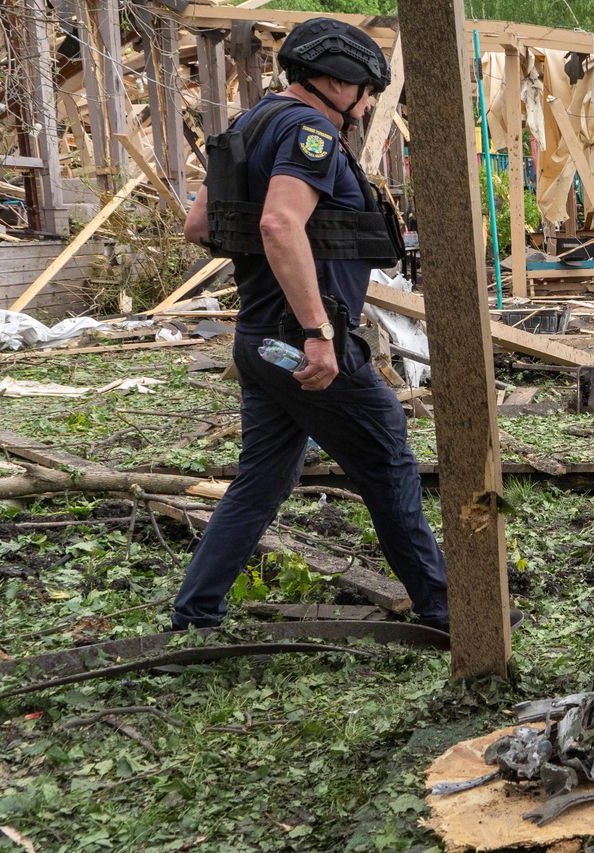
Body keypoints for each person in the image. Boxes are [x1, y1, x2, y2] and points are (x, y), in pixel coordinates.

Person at [175, 19, 450, 631]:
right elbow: (279, 223)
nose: (369, 103)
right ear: (336, 79)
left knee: (264, 478)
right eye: (367, 90)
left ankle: (197, 611)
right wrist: (319, 332)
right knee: (387, 460)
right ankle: (445, 608)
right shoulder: (308, 130)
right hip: (300, 345)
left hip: (260, 341)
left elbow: (199, 227)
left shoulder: (250, 124)